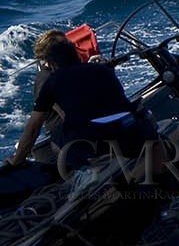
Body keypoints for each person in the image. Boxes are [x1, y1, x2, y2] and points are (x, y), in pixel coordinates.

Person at [2, 28, 157, 178]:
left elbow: (33, 128)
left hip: (92, 137)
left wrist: (17, 160)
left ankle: (84, 175)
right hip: (121, 131)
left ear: (49, 60)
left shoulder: (55, 80)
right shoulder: (100, 70)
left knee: (66, 133)